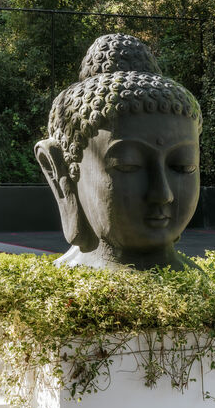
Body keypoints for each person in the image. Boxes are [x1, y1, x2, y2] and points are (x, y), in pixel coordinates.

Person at [35, 34, 201, 271]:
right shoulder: (62, 288)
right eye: (128, 165)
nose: (162, 194)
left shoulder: (199, 284)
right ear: (61, 173)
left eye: (183, 166)